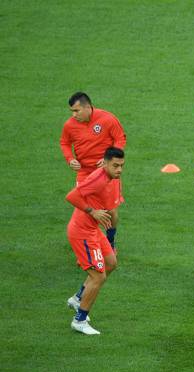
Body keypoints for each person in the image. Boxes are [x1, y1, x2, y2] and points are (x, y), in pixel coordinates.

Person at [65, 147, 125, 335]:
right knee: (98, 276)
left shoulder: (112, 178)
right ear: (105, 162)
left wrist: (111, 240)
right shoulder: (97, 179)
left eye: (122, 166)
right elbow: (72, 196)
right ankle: (80, 320)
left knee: (111, 263)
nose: (119, 170)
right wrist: (92, 211)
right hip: (82, 232)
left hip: (92, 229)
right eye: (115, 165)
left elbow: (113, 211)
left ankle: (78, 298)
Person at [60, 92, 126, 249]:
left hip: (107, 173)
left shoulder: (107, 119)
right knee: (85, 212)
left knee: (111, 212)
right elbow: (64, 142)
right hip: (85, 173)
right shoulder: (70, 125)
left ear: (88, 107)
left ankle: (110, 241)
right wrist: (70, 159)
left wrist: (109, 160)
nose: (74, 115)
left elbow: (120, 138)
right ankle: (89, 245)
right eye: (72, 111)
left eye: (77, 111)